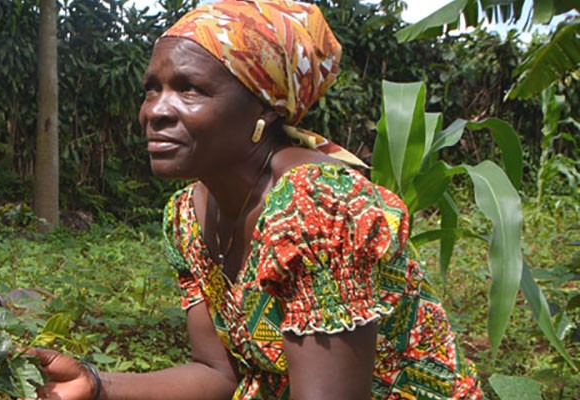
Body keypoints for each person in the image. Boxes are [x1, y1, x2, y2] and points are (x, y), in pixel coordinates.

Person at [27, 1, 483, 399]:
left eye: (189, 88)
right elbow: (219, 374)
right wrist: (96, 383)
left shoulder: (319, 207)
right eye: (152, 87)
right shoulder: (187, 217)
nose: (156, 111)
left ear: (265, 106)